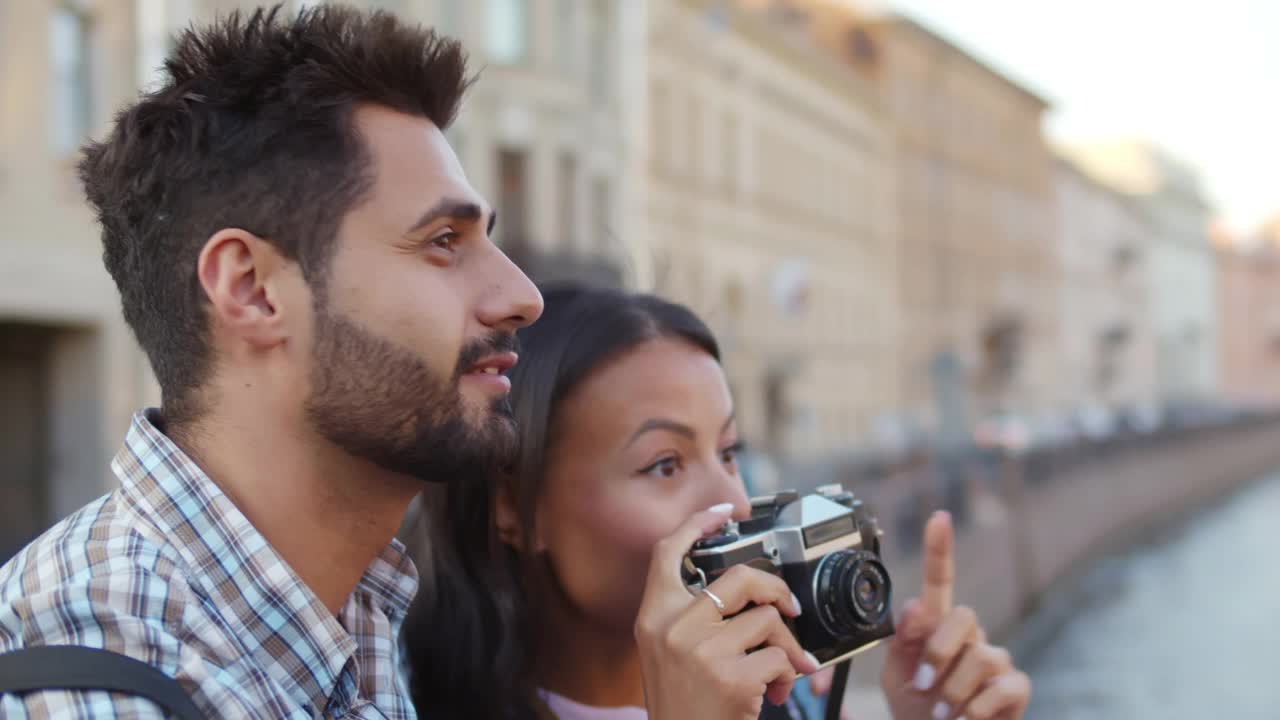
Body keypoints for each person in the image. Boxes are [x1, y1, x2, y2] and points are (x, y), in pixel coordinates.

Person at [0, 5, 543, 717]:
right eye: (443, 240)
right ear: (252, 290)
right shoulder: (95, 680)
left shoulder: (352, 613)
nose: (522, 296)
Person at [404, 286, 1032, 720]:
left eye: (729, 451)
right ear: (515, 510)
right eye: (664, 464)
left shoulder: (785, 697)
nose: (732, 500)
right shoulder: (407, 702)